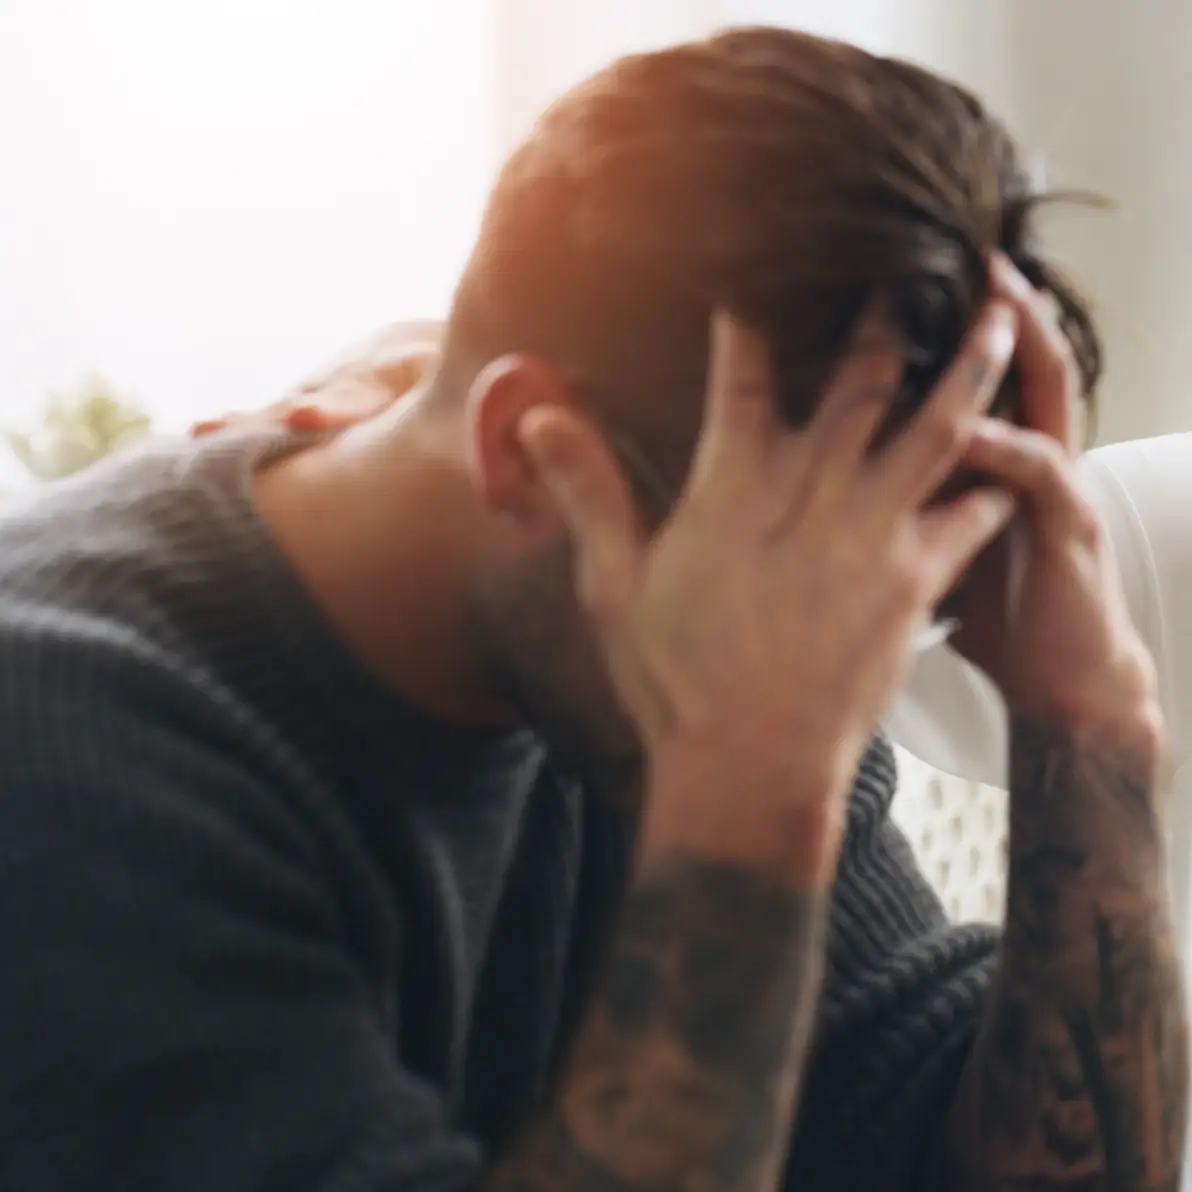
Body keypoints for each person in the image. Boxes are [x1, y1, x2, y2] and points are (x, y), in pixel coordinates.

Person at [0, 26, 1185, 1192]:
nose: (840, 670)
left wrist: (1092, 726)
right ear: (528, 455)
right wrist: (742, 804)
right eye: (786, 594)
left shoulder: (699, 640)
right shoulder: (74, 764)